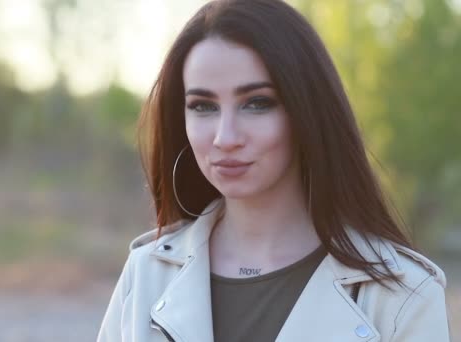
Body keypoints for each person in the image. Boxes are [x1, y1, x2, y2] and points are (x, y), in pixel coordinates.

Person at [97, 0, 451, 341]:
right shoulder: (145, 275)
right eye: (203, 106)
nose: (225, 137)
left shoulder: (403, 297)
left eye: (257, 103)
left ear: (306, 111)